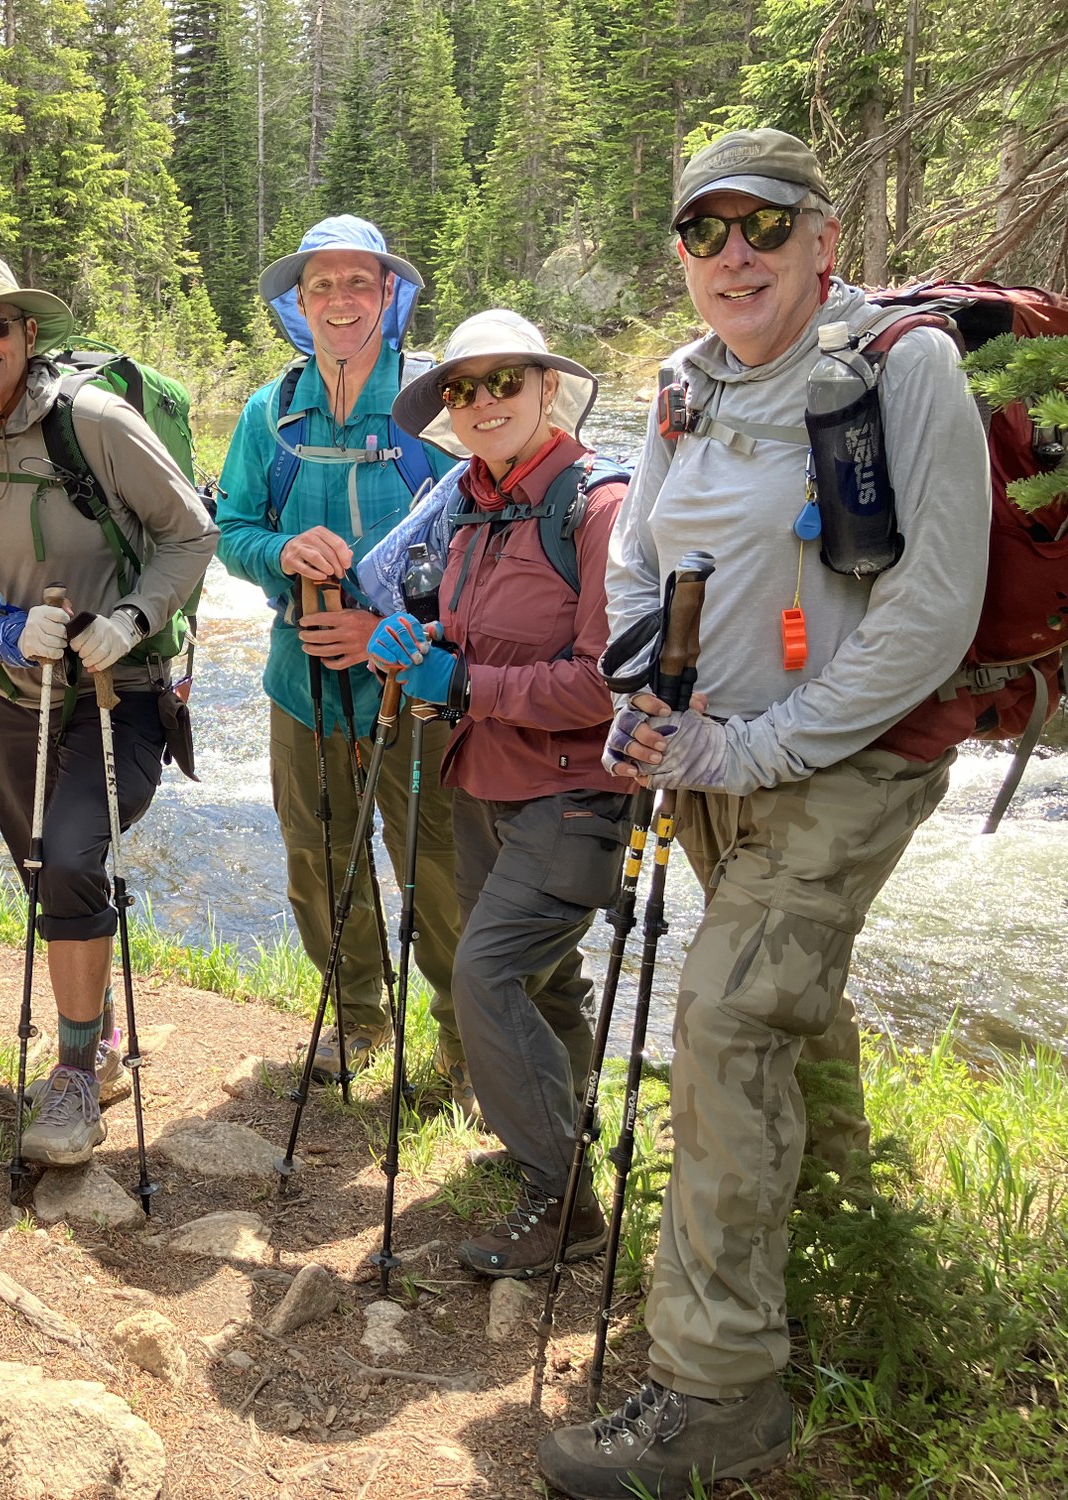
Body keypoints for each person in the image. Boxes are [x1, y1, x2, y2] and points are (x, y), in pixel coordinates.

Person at [537, 128, 990, 1498]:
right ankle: (847, 1247)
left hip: (842, 762)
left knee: (729, 1022)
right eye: (703, 232)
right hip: (712, 756)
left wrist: (762, 746)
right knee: (796, 1009)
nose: (734, 253)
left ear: (822, 240)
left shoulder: (904, 374)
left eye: (763, 226)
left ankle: (721, 1387)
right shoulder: (685, 387)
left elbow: (931, 609)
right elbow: (638, 560)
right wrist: (637, 697)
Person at [0, 251, 217, 1164]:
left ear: (28, 334)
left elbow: (191, 532)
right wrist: (1, 634)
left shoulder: (95, 422)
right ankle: (101, 1035)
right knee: (47, 868)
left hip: (119, 688)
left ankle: (75, 1071)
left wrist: (131, 616)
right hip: (8, 697)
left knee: (72, 852)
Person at [362, 310, 629, 1278]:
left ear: (544, 388)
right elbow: (472, 639)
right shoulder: (468, 503)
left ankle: (554, 1195)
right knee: (544, 979)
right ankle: (565, 1163)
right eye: (461, 388)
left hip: (572, 797)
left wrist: (465, 686)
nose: (480, 402)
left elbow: (606, 681)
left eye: (502, 382)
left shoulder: (594, 508)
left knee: (482, 975)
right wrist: (424, 648)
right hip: (480, 786)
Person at [215, 215, 493, 1096]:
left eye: (358, 283)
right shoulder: (271, 410)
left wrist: (387, 635)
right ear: (299, 303)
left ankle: (461, 1041)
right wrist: (282, 554)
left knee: (436, 861)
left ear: (389, 296)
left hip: (414, 677)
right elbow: (232, 529)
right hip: (300, 675)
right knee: (318, 851)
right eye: (320, 285)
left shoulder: (432, 403)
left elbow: (484, 540)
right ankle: (359, 1022)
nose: (340, 300)